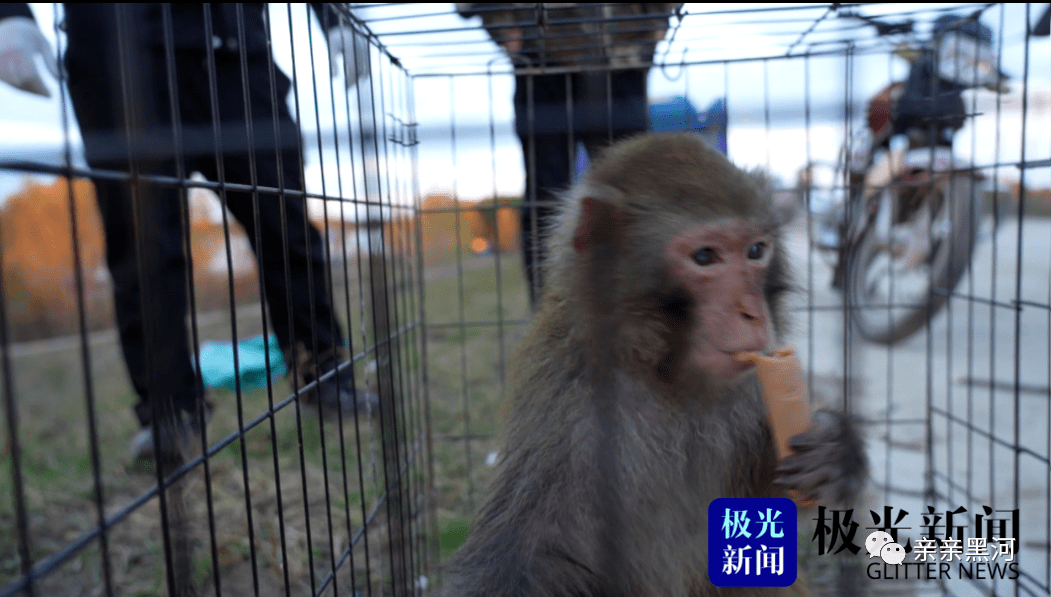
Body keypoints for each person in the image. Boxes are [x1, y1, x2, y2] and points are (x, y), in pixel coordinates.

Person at [0, 3, 375, 466]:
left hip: (232, 45)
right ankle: (170, 413)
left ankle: (323, 373)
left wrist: (335, 14)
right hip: (113, 51)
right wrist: (11, 14)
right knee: (143, 247)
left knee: (287, 223)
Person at [456, 3, 680, 309]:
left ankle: (639, 312)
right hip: (539, 53)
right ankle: (551, 320)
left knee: (634, 194)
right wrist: (505, 26)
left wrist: (657, 19)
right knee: (545, 199)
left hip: (622, 48)